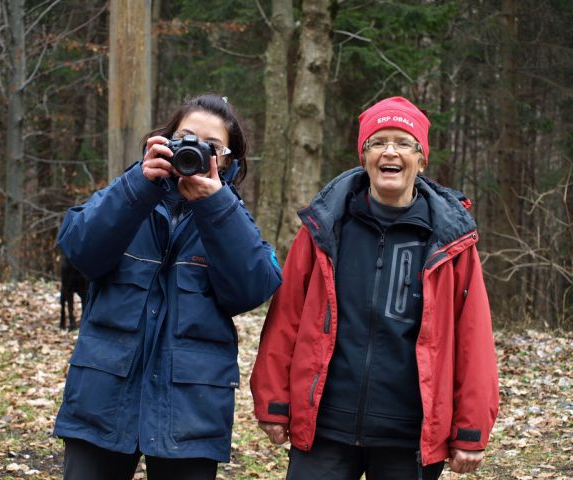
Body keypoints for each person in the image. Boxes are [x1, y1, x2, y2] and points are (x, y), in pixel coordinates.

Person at [250, 96, 499, 480]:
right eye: (378, 142)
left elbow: (473, 337)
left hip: (408, 437)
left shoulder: (451, 242)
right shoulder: (324, 228)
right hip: (324, 429)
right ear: (363, 156)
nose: (390, 151)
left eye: (403, 142)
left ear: (421, 159)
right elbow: (287, 318)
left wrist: (471, 429)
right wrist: (273, 402)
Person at [54, 94, 283, 480]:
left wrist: (216, 207)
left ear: (227, 161)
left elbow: (252, 288)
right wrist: (139, 185)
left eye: (211, 147)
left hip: (189, 412)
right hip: (103, 399)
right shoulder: (130, 192)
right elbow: (80, 251)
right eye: (185, 137)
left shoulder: (230, 216)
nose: (194, 150)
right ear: (165, 140)